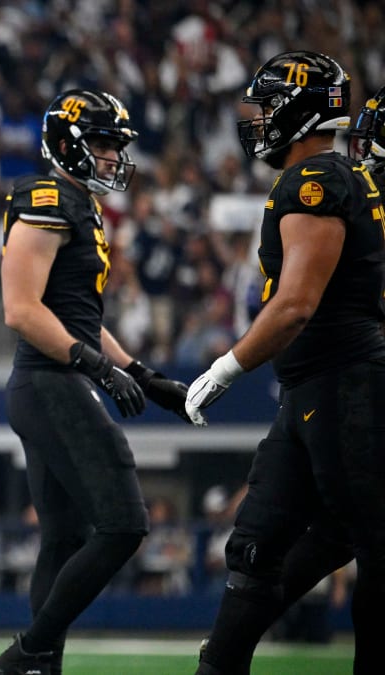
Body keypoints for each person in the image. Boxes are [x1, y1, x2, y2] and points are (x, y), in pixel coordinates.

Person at [185, 51, 385, 675]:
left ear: (303, 111)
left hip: (344, 386)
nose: (259, 120)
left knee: (367, 540)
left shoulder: (314, 182)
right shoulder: (337, 178)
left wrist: (226, 368)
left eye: (269, 106)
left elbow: (296, 304)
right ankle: (220, 663)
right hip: (313, 388)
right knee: (255, 544)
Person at [0, 88, 191, 675]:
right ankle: (27, 653)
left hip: (51, 380)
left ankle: (38, 668)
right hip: (47, 381)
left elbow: (79, 320)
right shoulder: (47, 197)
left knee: (64, 538)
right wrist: (96, 367)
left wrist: (141, 374)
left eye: (115, 145)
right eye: (102, 143)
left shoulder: (81, 206)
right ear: (67, 143)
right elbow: (22, 310)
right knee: (124, 524)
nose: (111, 156)